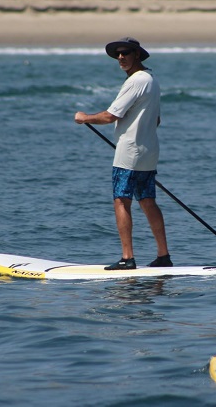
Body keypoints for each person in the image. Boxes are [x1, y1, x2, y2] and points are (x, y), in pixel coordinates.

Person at [74, 37, 172, 271]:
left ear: (137, 54)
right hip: (148, 151)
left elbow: (110, 116)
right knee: (147, 201)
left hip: (129, 152)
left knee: (121, 201)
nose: (121, 57)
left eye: (126, 52)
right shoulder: (152, 79)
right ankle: (163, 256)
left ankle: (127, 258)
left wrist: (84, 117)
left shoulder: (136, 81)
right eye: (117, 54)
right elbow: (156, 120)